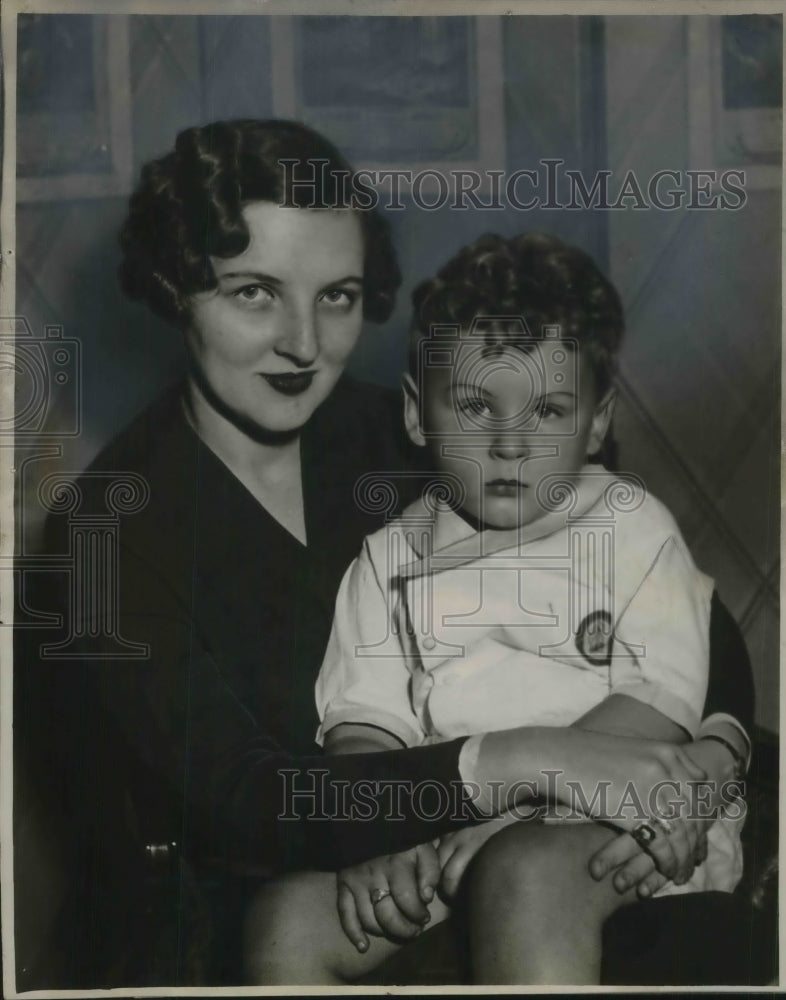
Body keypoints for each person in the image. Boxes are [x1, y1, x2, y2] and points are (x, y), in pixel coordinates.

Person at [16, 119, 754, 989]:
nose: (304, 342)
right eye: (256, 292)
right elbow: (248, 807)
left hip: (500, 863)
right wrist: (512, 762)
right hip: (218, 915)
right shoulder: (107, 528)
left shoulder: (422, 432)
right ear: (179, 285)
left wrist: (713, 754)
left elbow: (674, 604)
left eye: (336, 296)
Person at [244, 233, 750, 985]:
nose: (510, 443)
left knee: (523, 874)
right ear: (419, 415)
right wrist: (377, 845)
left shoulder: (631, 525)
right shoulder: (387, 560)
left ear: (599, 420)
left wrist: (509, 824)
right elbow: (363, 735)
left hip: (618, 818)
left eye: (548, 411)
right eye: (477, 406)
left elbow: (658, 712)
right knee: (285, 921)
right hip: (444, 830)